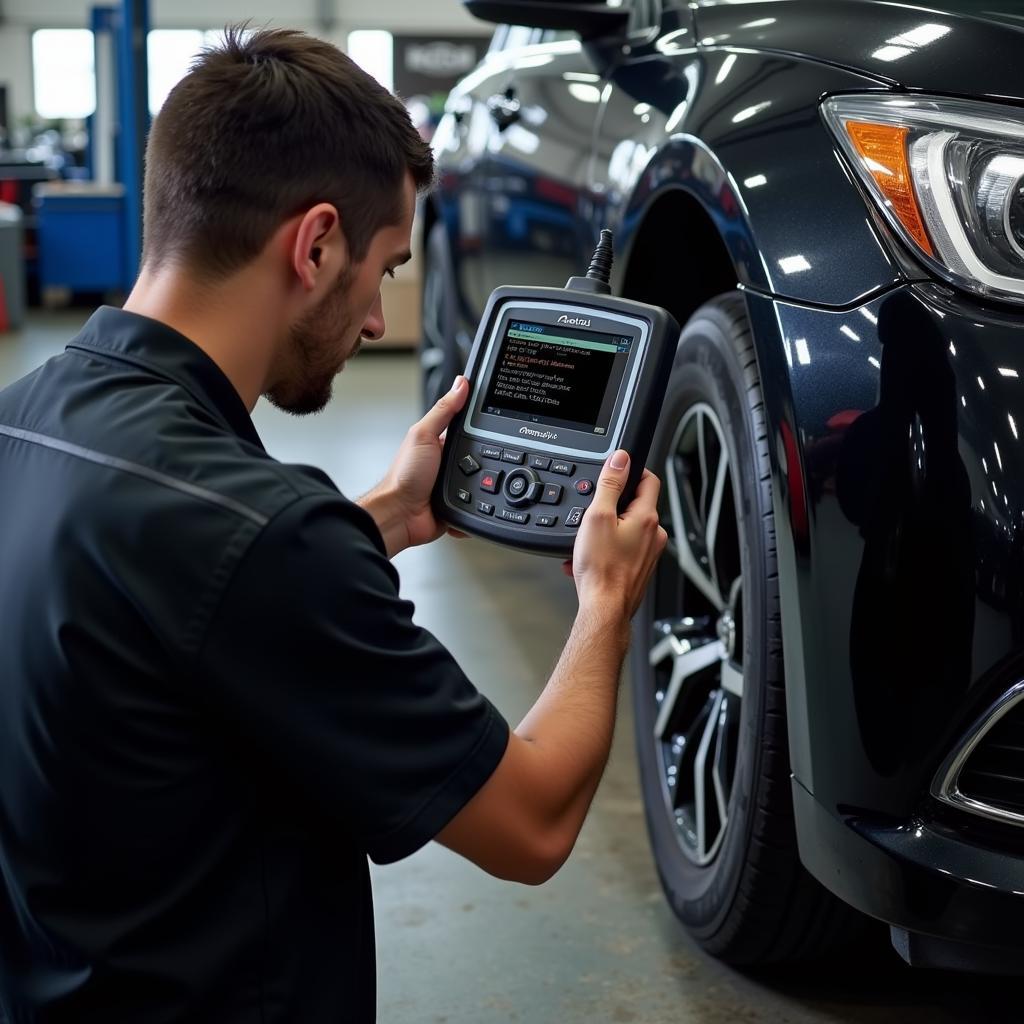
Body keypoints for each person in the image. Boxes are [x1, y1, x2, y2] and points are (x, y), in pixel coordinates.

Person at [0, 27, 666, 1024]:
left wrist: (385, 516)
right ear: (314, 245)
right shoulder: (267, 536)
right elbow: (532, 822)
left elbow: (180, 595)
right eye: (386, 270)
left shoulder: (24, 421)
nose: (370, 321)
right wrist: (606, 600)